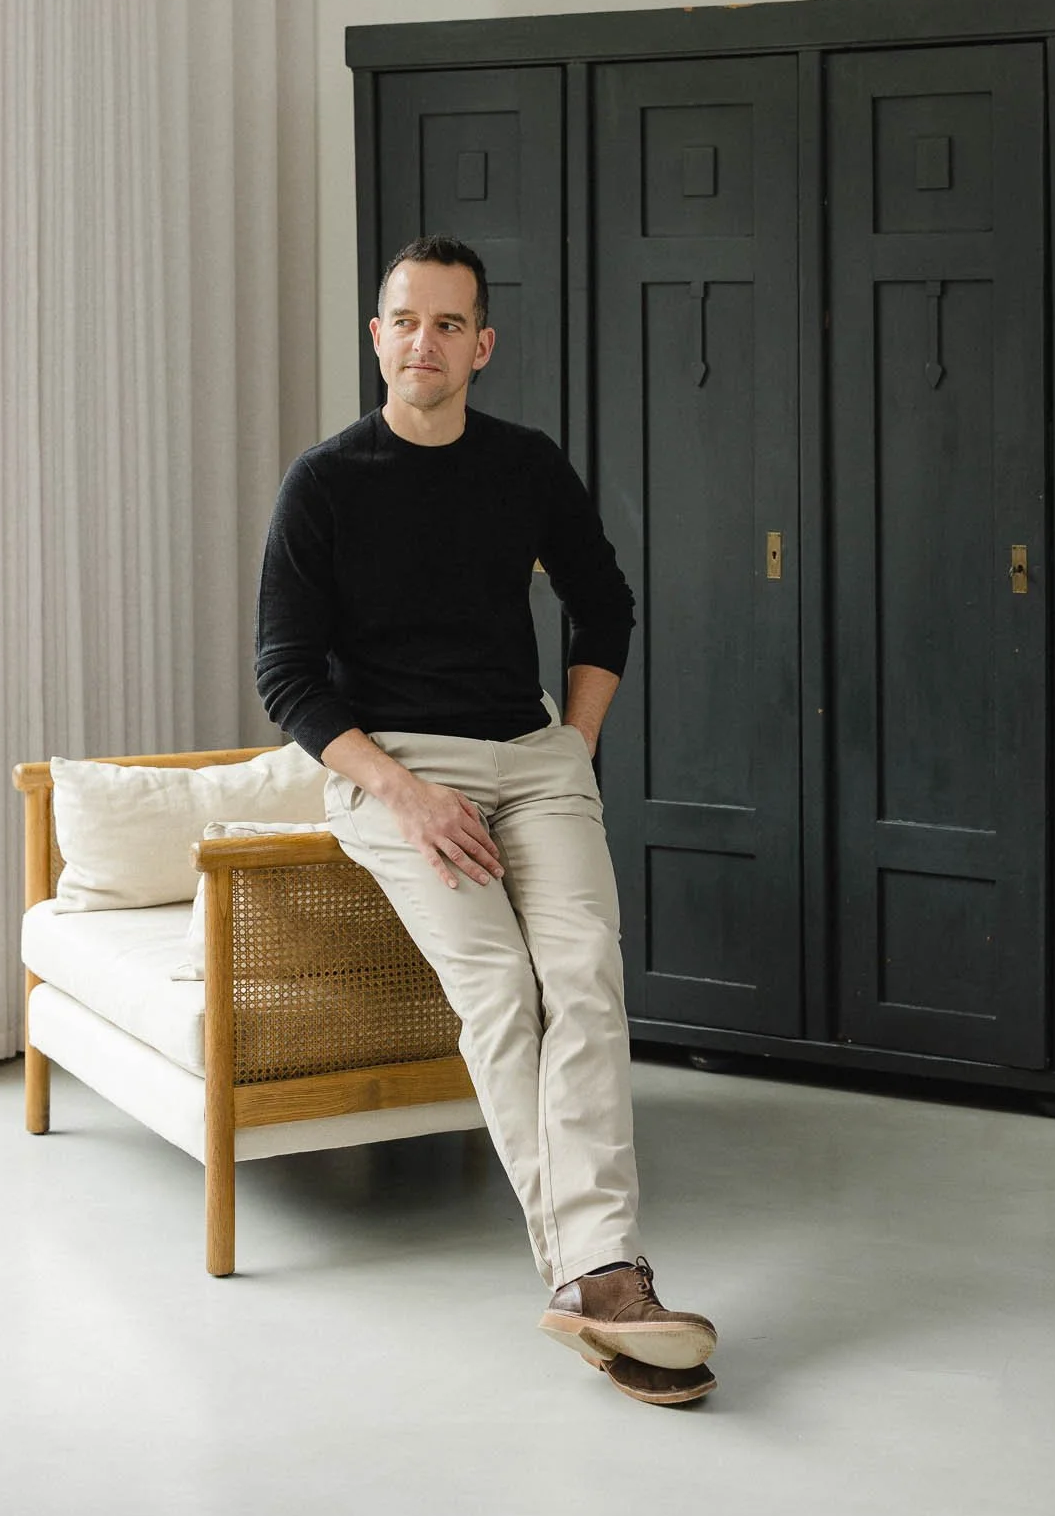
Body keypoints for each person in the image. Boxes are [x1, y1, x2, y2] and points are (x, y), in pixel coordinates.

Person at [255, 233, 718, 1407]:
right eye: (406, 320)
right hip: (397, 769)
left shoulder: (523, 465)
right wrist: (407, 797)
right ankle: (601, 1277)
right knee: (502, 993)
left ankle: (592, 1281)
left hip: (532, 753)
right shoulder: (325, 482)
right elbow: (288, 676)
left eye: (450, 324)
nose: (426, 342)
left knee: (586, 976)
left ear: (483, 347)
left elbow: (604, 602)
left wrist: (576, 741)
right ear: (377, 336)